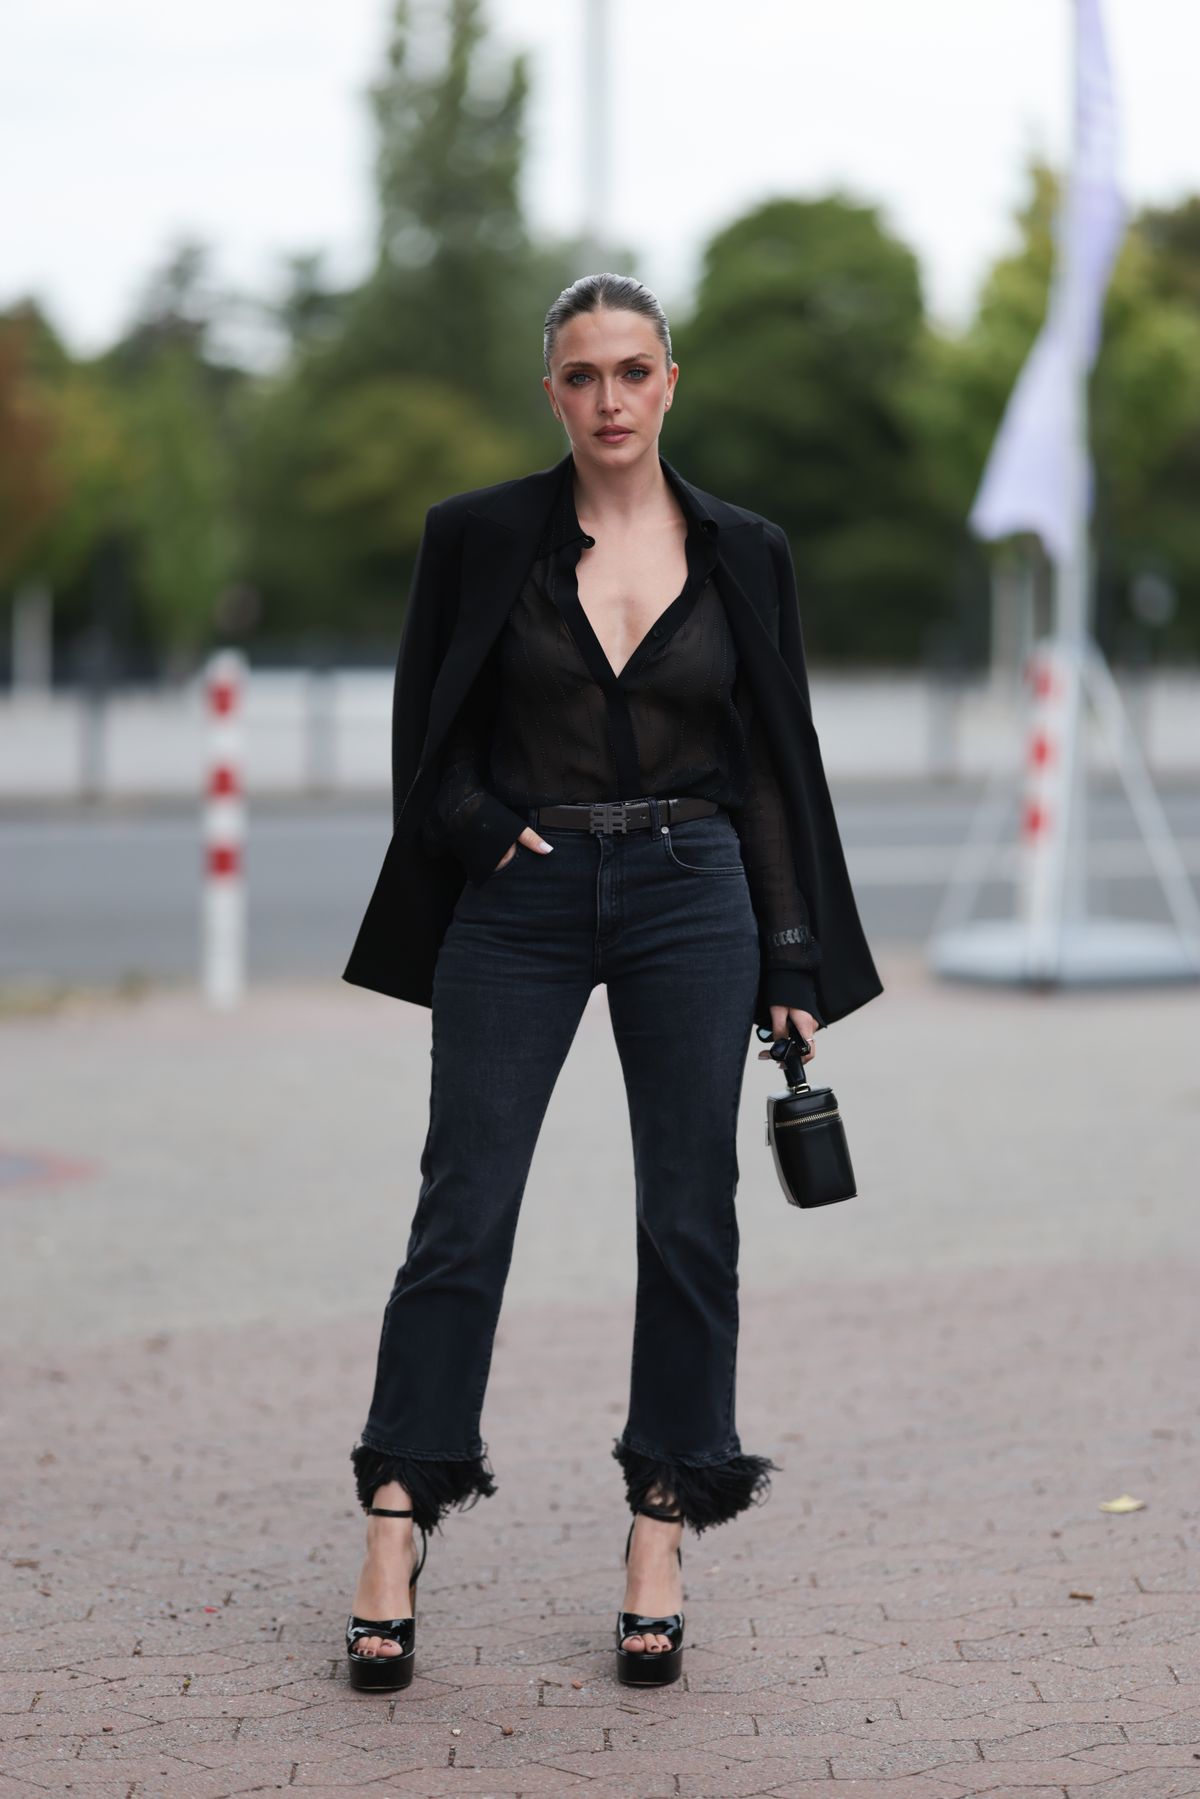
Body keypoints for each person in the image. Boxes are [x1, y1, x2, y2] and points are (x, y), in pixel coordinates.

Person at [342, 273, 883, 1692]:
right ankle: (399, 1511)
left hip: (691, 895)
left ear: (670, 380)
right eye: (582, 377)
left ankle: (665, 1519)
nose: (610, 400)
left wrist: (790, 956)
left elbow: (768, 765)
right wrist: (477, 834)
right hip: (517, 900)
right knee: (464, 1205)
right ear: (553, 393)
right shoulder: (475, 540)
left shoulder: (744, 549)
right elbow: (427, 743)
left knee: (688, 1215)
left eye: (633, 372)